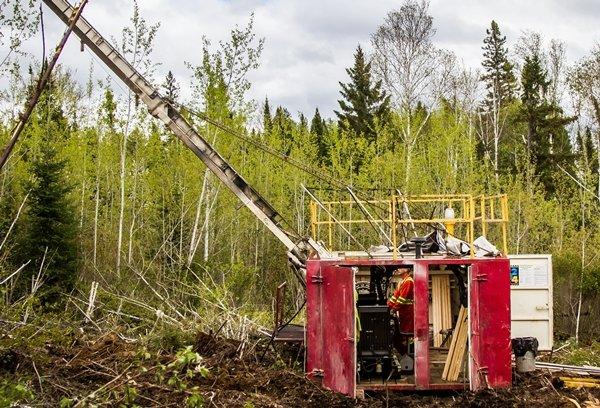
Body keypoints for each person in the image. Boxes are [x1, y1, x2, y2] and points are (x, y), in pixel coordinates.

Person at [387, 268, 414, 355]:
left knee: (406, 334)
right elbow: (395, 296)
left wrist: (393, 309)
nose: (398, 269)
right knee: (402, 333)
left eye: (401, 267)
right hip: (403, 313)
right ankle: (405, 353)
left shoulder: (408, 281)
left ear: (407, 270)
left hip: (408, 313)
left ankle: (408, 353)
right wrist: (387, 306)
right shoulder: (401, 281)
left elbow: (402, 298)